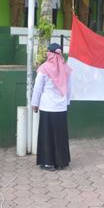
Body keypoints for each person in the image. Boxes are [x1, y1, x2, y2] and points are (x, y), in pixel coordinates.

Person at [32, 43, 72, 171]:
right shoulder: (66, 68)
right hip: (61, 108)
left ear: (50, 54)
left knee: (47, 135)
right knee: (60, 135)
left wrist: (35, 104)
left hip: (47, 107)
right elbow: (69, 89)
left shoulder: (44, 68)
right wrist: (66, 103)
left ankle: (48, 163)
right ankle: (61, 162)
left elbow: (37, 88)